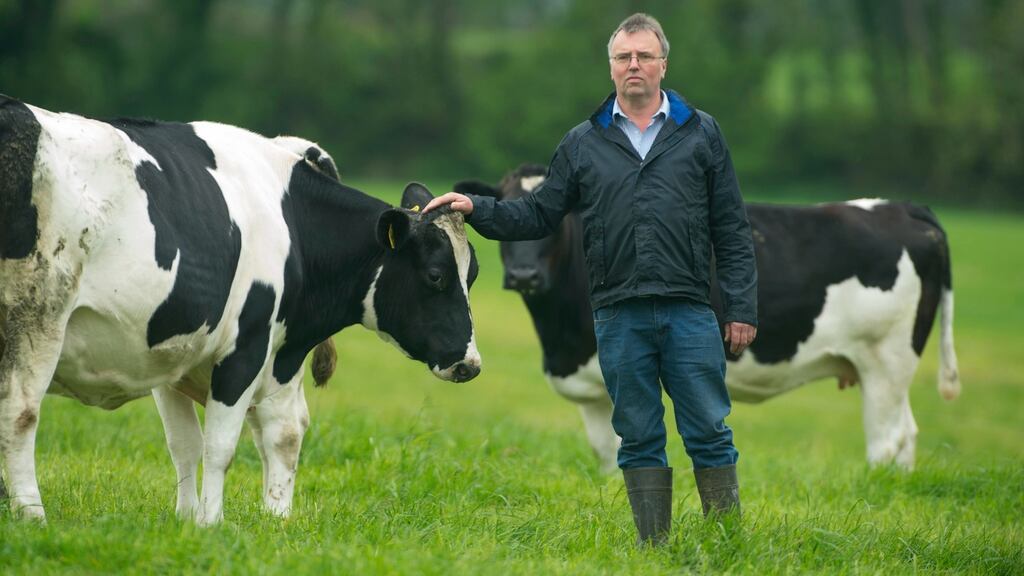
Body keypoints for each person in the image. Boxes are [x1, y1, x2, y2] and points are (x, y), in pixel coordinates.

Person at [424, 13, 757, 546]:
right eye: (624, 57)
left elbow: (732, 228)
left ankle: (727, 543)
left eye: (644, 56)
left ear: (662, 64)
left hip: (690, 310)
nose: (634, 66)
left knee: (709, 431)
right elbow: (538, 214)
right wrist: (477, 208)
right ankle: (654, 548)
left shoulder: (701, 133)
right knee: (639, 435)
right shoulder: (584, 142)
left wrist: (739, 306)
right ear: (611, 68)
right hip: (618, 313)